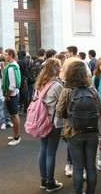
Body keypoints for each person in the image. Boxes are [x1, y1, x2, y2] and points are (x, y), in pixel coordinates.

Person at [56, 61, 101, 194]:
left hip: (74, 132)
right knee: (90, 166)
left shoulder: (67, 91)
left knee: (77, 167)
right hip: (92, 133)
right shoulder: (92, 90)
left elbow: (59, 112)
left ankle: (78, 192)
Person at [36, 58, 64, 192]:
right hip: (53, 122)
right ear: (55, 68)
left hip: (41, 120)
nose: (61, 69)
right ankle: (50, 182)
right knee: (51, 153)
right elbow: (63, 103)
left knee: (43, 150)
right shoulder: (57, 86)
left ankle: (43, 180)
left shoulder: (40, 82)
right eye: (60, 67)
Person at [2, 48, 22, 146]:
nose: (4, 56)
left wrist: (8, 95)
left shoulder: (10, 67)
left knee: (14, 115)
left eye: (6, 54)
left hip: (12, 94)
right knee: (14, 115)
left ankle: (16, 137)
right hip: (14, 93)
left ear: (11, 55)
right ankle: (16, 134)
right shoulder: (15, 65)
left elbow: (12, 84)